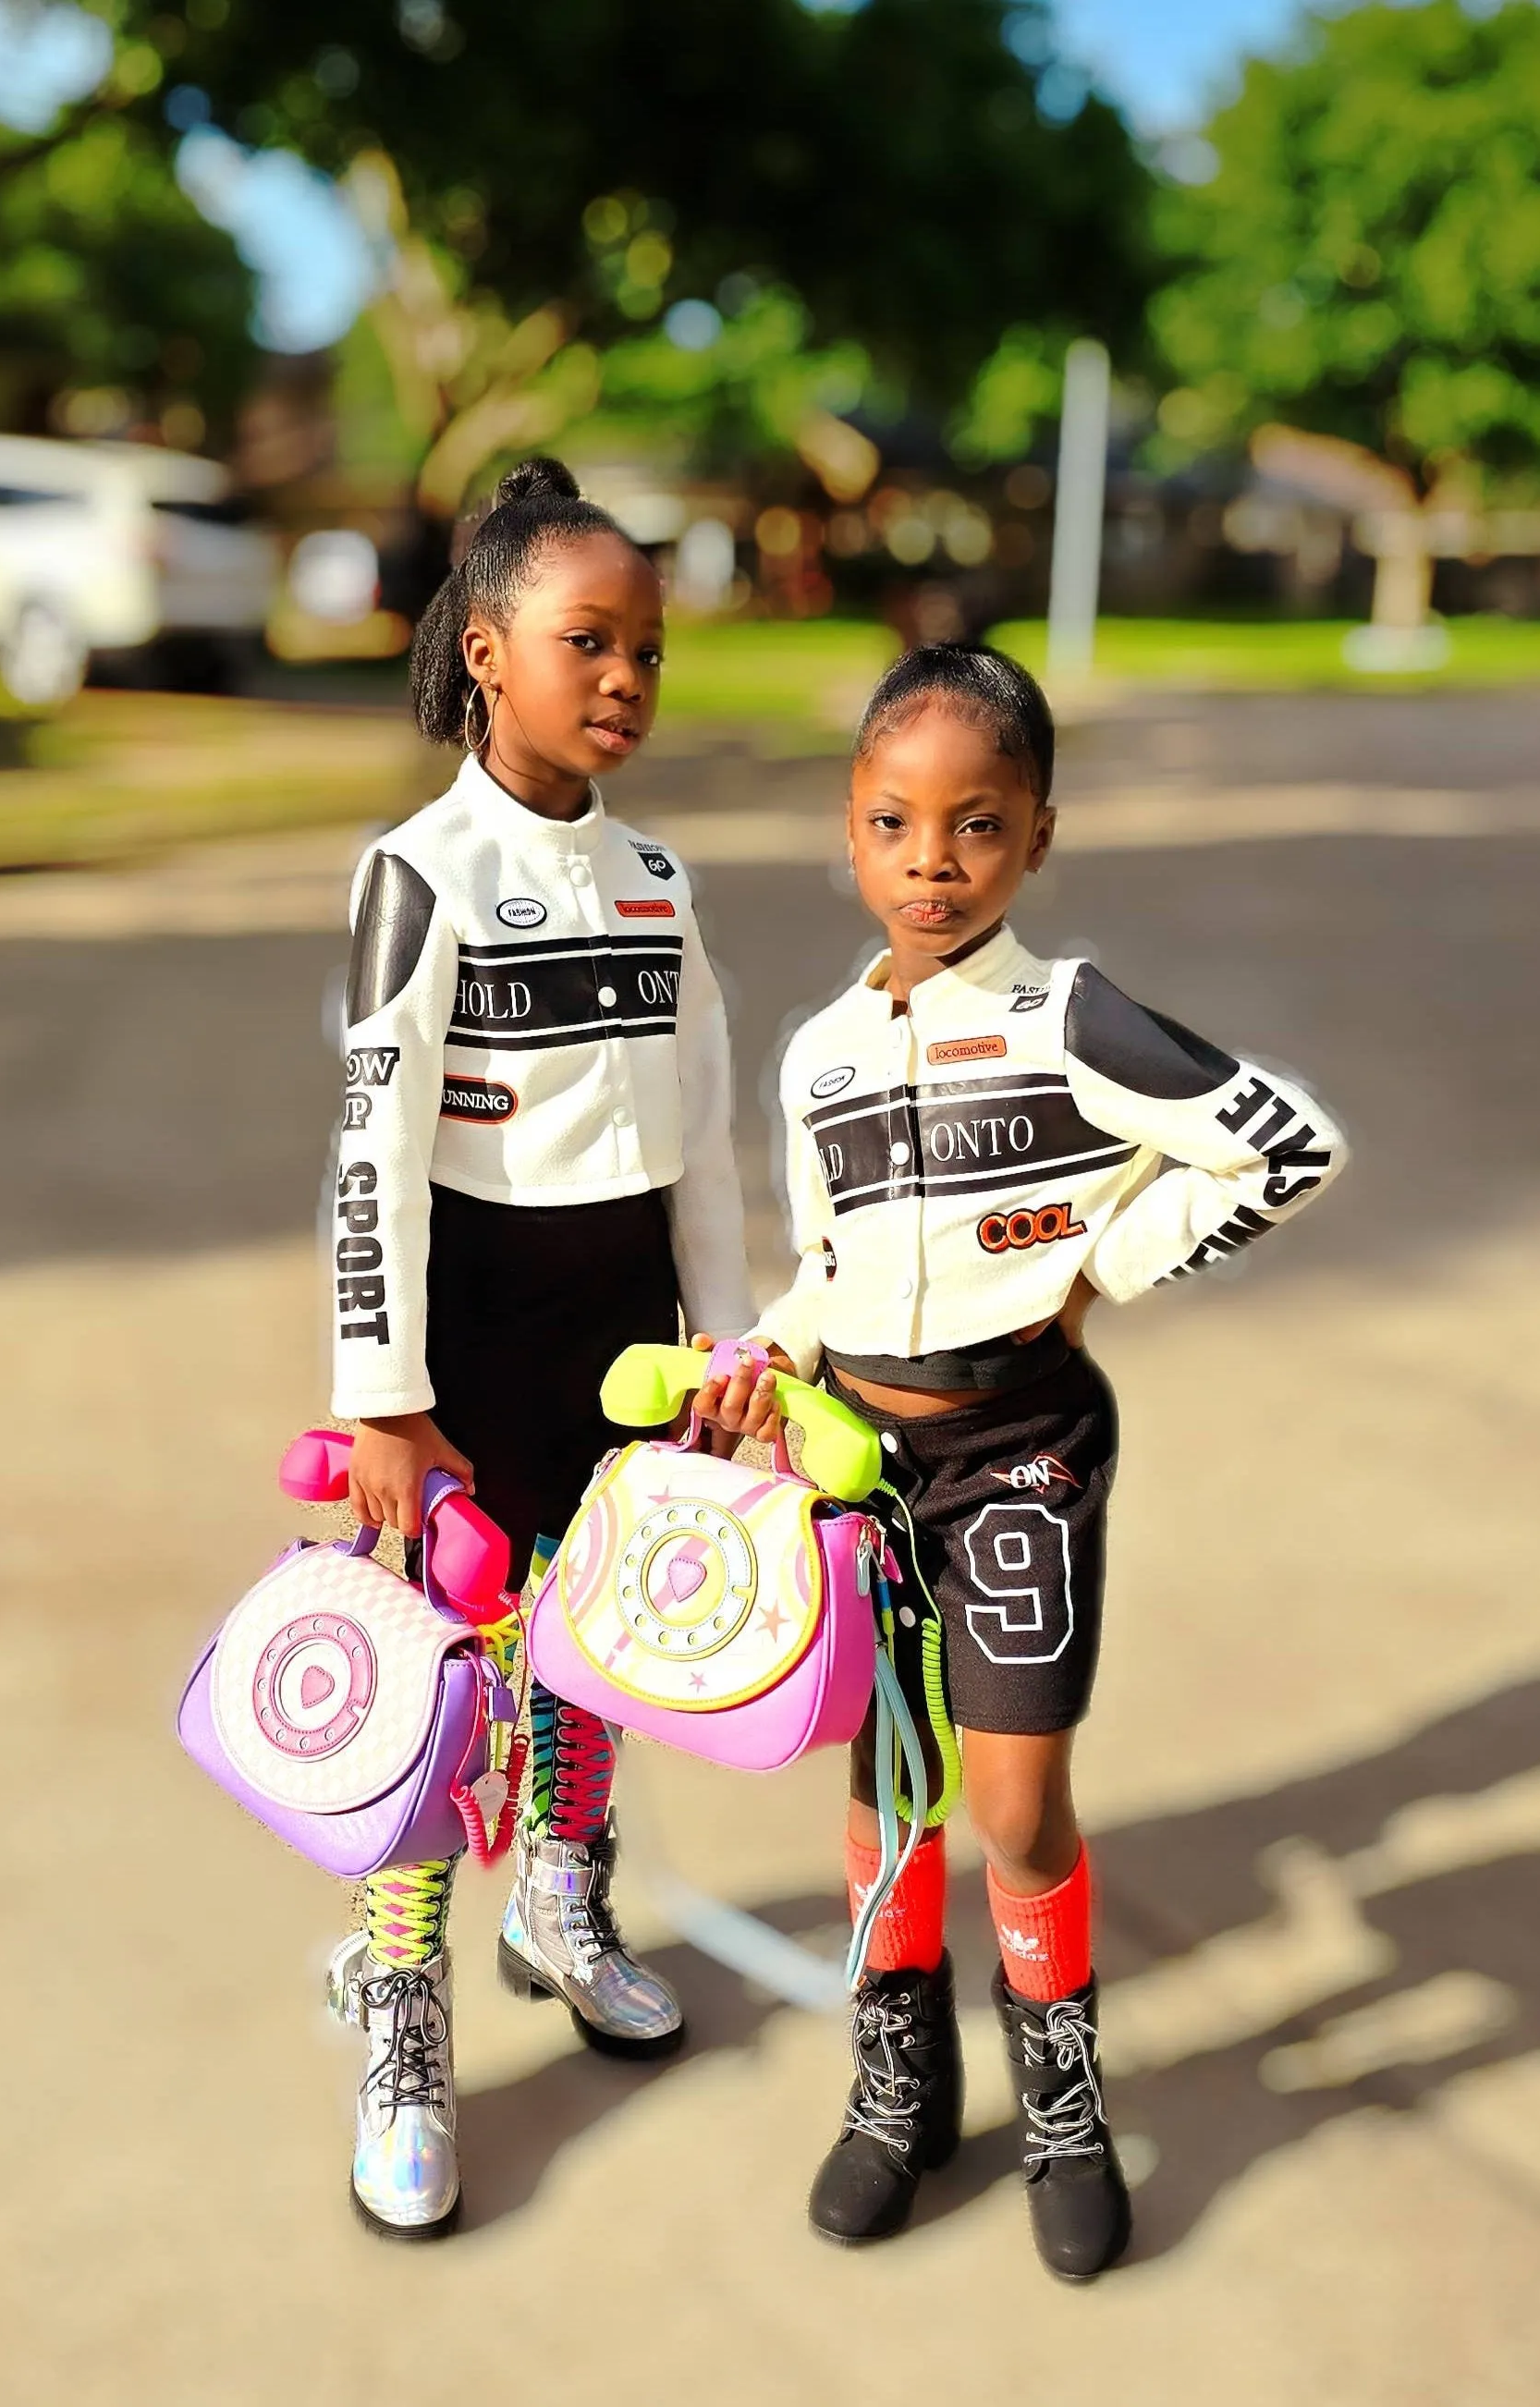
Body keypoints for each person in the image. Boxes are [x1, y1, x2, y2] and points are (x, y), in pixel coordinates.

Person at [697, 641, 1345, 2275]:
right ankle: (894, 2093)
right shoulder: (819, 1055)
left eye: (976, 825)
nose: (933, 861)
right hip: (861, 1472)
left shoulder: (1073, 1018)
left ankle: (1060, 2103)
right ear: (848, 832)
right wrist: (767, 1353)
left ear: (1036, 836)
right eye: (895, 823)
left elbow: (1287, 1143)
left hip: (1019, 1456)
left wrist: (1111, 1262)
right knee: (885, 1775)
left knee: (1011, 1799)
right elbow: (829, 1261)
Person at [328, 458, 753, 2236]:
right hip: (459, 1352)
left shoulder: (655, 877)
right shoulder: (417, 873)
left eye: (648, 648)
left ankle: (558, 1898)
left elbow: (704, 1138)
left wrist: (730, 1349)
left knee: (597, 1647)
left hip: (625, 1351)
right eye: (590, 642)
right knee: (441, 1685)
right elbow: (368, 1151)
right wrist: (383, 1400)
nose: (627, 679)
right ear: (487, 651)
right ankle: (402, 2009)